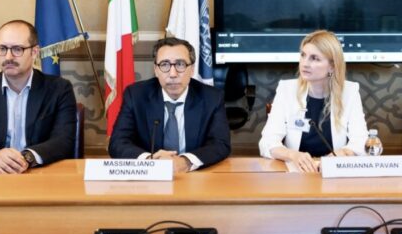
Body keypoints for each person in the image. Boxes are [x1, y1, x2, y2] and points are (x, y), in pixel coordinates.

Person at [0, 20, 77, 173]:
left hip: (40, 173)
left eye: (17, 49)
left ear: (34, 52)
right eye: (2, 48)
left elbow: (63, 141)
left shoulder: (59, 89)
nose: (8, 56)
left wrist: (27, 157)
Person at [109, 37, 231, 172]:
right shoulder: (136, 95)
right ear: (156, 69)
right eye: (165, 65)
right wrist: (150, 161)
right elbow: (118, 143)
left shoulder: (212, 97)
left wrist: (185, 162)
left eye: (180, 64)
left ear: (192, 69)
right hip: (150, 176)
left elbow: (220, 144)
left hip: (195, 175)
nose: (173, 74)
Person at [259, 30, 369, 173]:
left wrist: (341, 154)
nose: (305, 63)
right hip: (296, 174)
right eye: (303, 55)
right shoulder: (286, 89)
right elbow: (267, 142)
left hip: (333, 172)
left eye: (315, 58)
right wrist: (293, 155)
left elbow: (361, 142)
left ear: (332, 66)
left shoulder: (349, 92)